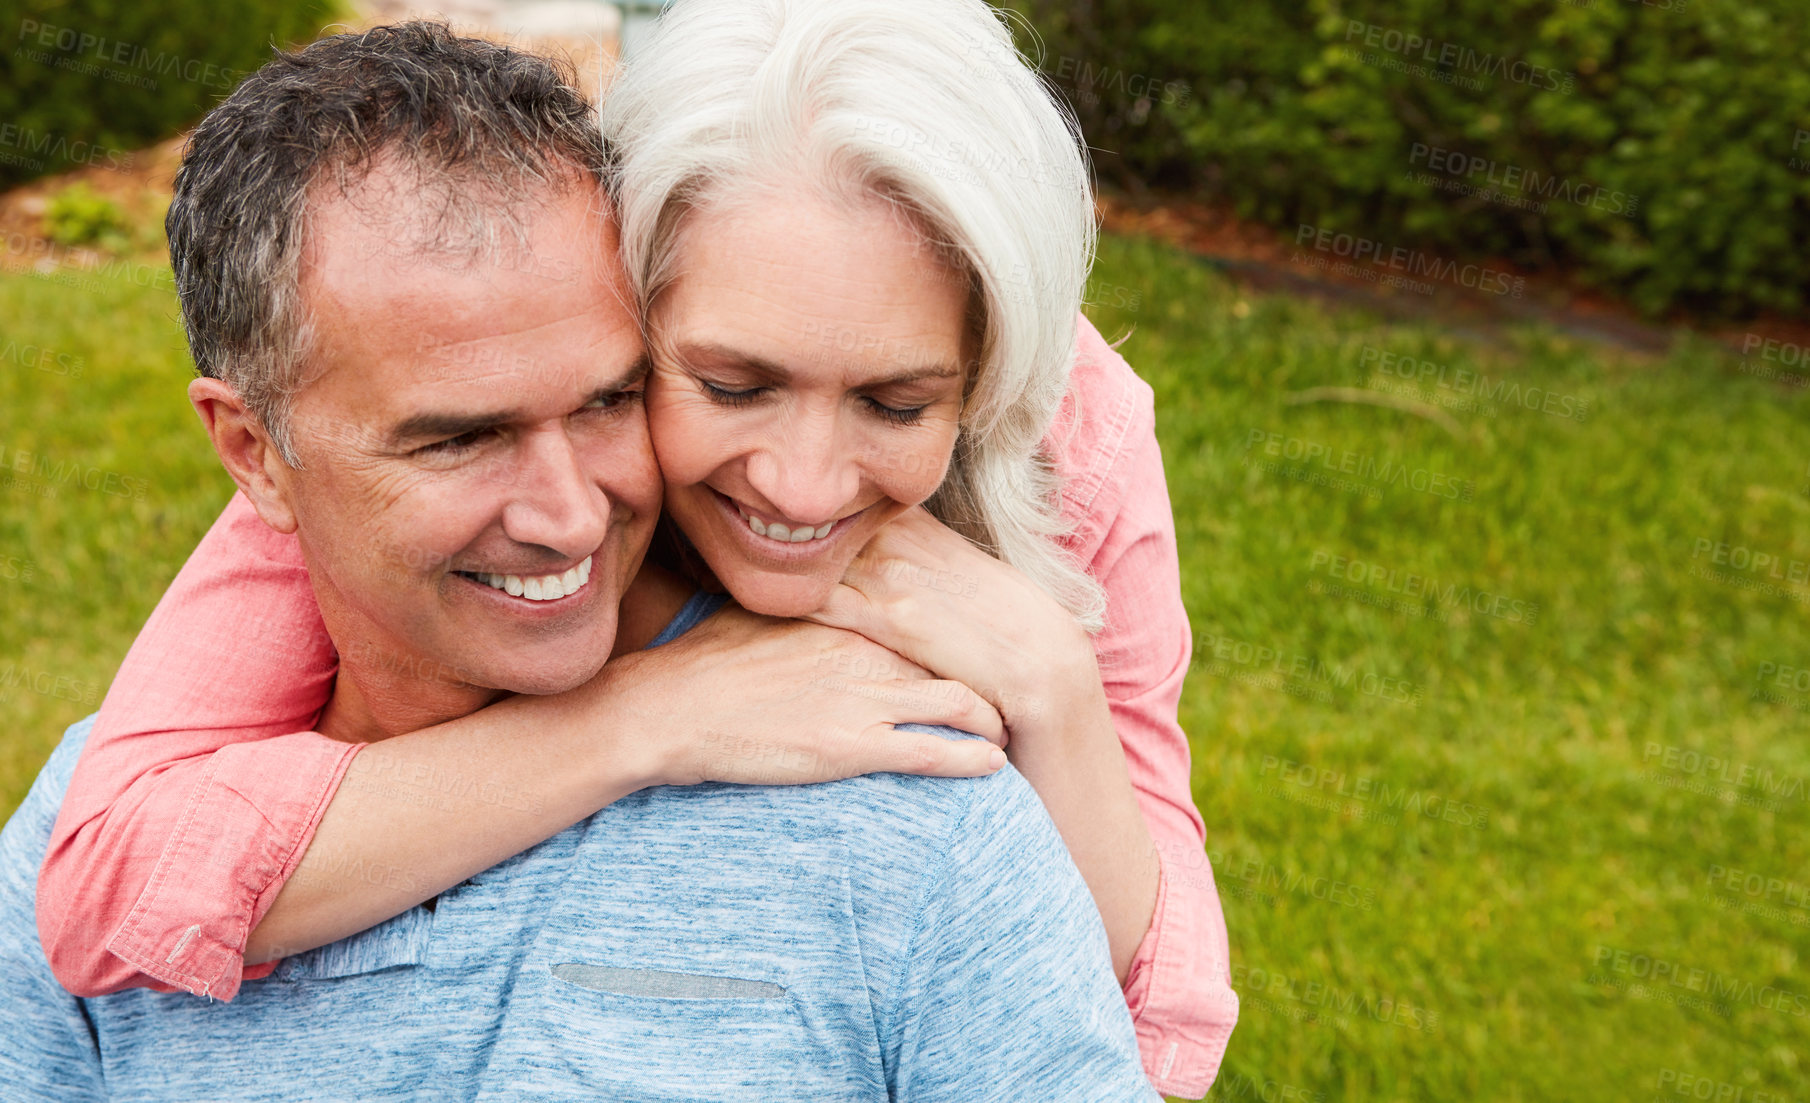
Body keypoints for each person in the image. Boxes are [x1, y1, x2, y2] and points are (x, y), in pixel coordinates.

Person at [37, 0, 1237, 1094]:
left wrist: (1054, 689)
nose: (801, 480)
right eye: (729, 382)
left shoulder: (1068, 437)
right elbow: (103, 882)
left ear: (982, 384)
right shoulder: (383, 427)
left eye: (894, 403)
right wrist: (642, 717)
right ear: (626, 285)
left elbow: (1164, 1036)